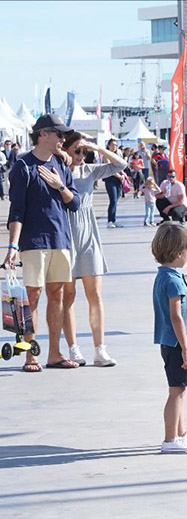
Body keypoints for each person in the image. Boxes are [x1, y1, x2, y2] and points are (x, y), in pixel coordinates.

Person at [3, 114, 82, 372]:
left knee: (56, 296)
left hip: (61, 239)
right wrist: (13, 246)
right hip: (34, 241)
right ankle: (30, 355)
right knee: (32, 298)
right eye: (59, 134)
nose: (63, 139)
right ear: (43, 134)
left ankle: (55, 353)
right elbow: (17, 211)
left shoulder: (61, 164)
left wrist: (60, 186)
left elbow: (75, 203)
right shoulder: (23, 167)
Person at [60, 132, 127, 368]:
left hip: (89, 234)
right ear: (66, 149)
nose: (81, 155)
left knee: (95, 295)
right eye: (76, 150)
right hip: (66, 233)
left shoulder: (91, 170)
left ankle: (100, 349)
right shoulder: (59, 171)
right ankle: (73, 348)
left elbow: (121, 164)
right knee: (68, 296)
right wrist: (62, 155)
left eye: (83, 151)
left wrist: (96, 147)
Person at [151, 223, 187, 453]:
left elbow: (185, 308)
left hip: (172, 341)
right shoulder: (174, 281)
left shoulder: (166, 276)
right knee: (176, 391)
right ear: (178, 253)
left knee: (179, 389)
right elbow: (177, 317)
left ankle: (180, 433)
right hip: (178, 343)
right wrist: (186, 348)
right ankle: (169, 440)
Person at [101, 138, 125, 228]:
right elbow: (109, 168)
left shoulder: (117, 154)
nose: (114, 146)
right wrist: (118, 175)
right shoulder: (106, 155)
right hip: (110, 179)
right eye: (112, 145)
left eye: (116, 145)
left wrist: (123, 174)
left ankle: (113, 220)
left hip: (118, 179)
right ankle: (110, 221)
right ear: (108, 145)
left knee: (116, 200)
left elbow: (120, 166)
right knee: (113, 200)